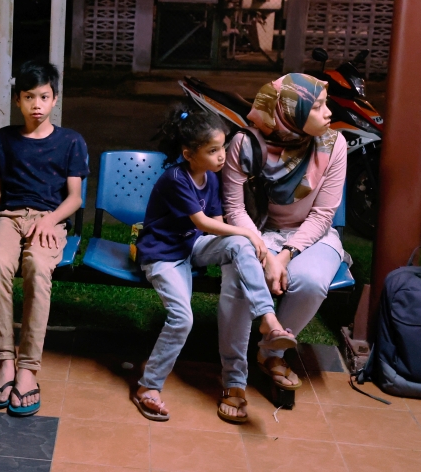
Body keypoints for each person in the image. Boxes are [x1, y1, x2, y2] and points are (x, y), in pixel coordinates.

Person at [127, 106, 297, 423]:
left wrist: (245, 239)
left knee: (240, 244)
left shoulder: (211, 178)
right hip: (163, 255)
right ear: (188, 153)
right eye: (213, 150)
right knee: (182, 319)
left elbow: (218, 227)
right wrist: (248, 232)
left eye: (223, 148)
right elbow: (204, 222)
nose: (222, 157)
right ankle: (148, 387)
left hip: (192, 246)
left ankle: (268, 321)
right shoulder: (176, 178)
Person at [217, 73, 345, 423]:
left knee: (311, 282)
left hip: (310, 236)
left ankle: (271, 353)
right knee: (238, 282)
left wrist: (284, 255)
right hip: (254, 232)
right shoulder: (244, 144)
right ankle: (233, 377)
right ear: (290, 110)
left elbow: (321, 215)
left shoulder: (334, 144)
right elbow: (235, 210)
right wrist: (264, 252)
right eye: (317, 107)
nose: (328, 113)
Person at [0, 60, 88, 417]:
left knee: (37, 267)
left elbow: (75, 197)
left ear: (54, 100)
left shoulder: (70, 141)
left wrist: (50, 220)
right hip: (9, 216)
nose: (36, 104)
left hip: (48, 220)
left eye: (44, 96)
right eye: (28, 97)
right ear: (17, 101)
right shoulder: (5, 139)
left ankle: (28, 369)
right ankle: (5, 361)